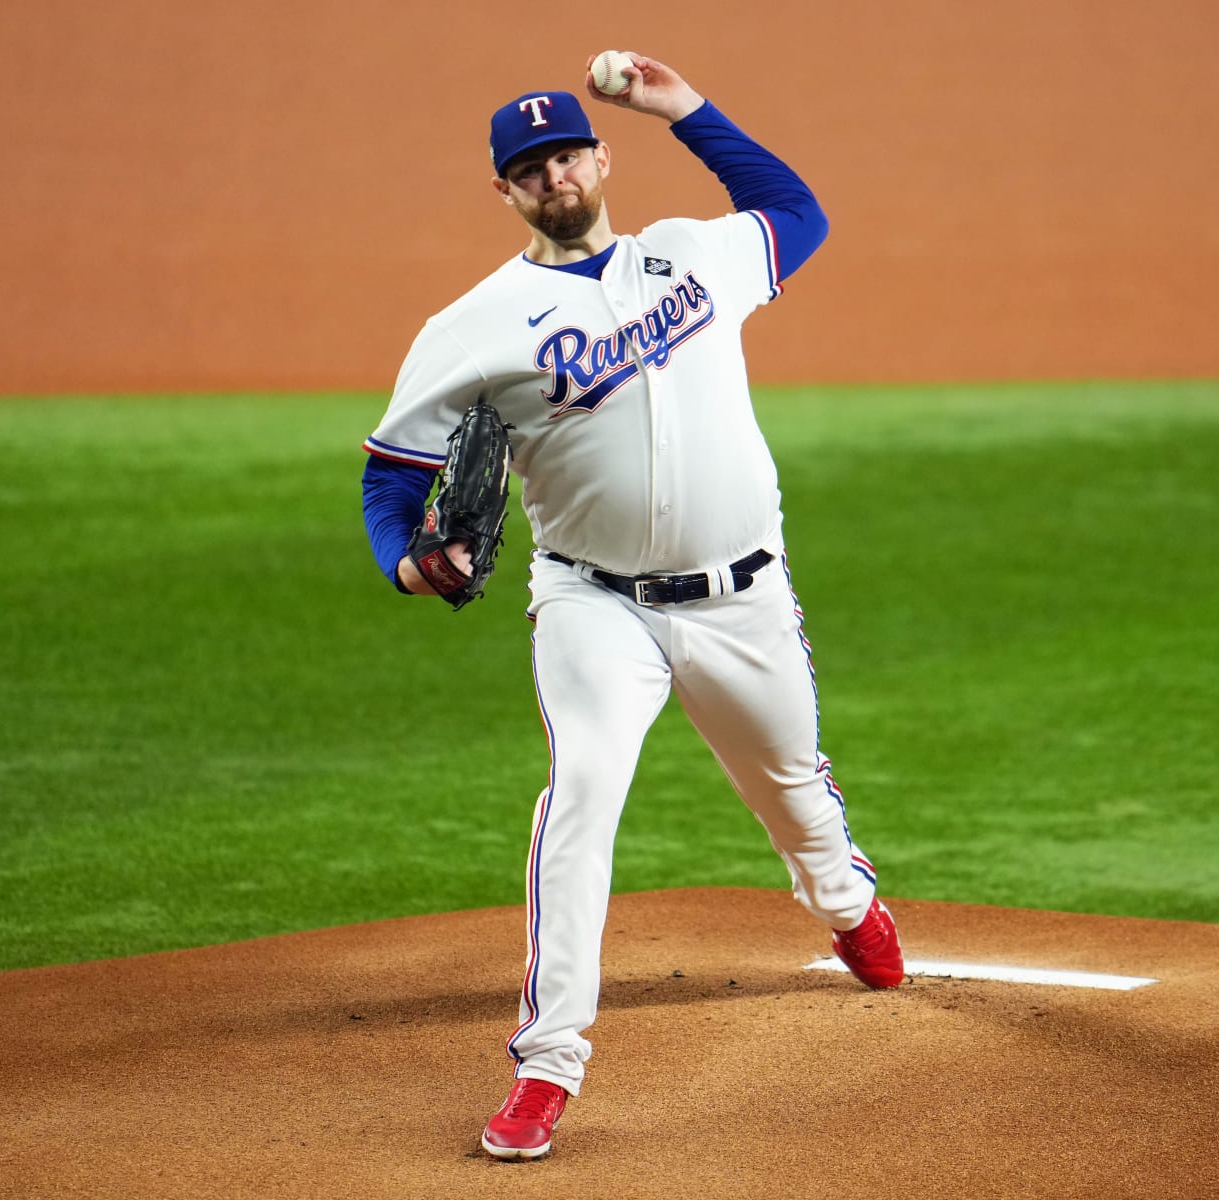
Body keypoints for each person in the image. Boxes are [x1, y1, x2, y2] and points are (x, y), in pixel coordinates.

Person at [359, 52, 905, 1161]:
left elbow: (797, 213)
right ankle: (548, 1063)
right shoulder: (471, 325)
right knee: (582, 799)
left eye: (567, 153)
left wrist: (687, 110)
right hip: (590, 604)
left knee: (794, 793)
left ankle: (844, 903)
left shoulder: (696, 255)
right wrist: (405, 562)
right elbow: (391, 476)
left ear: (602, 159)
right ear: (504, 192)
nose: (554, 175)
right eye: (530, 168)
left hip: (743, 598)